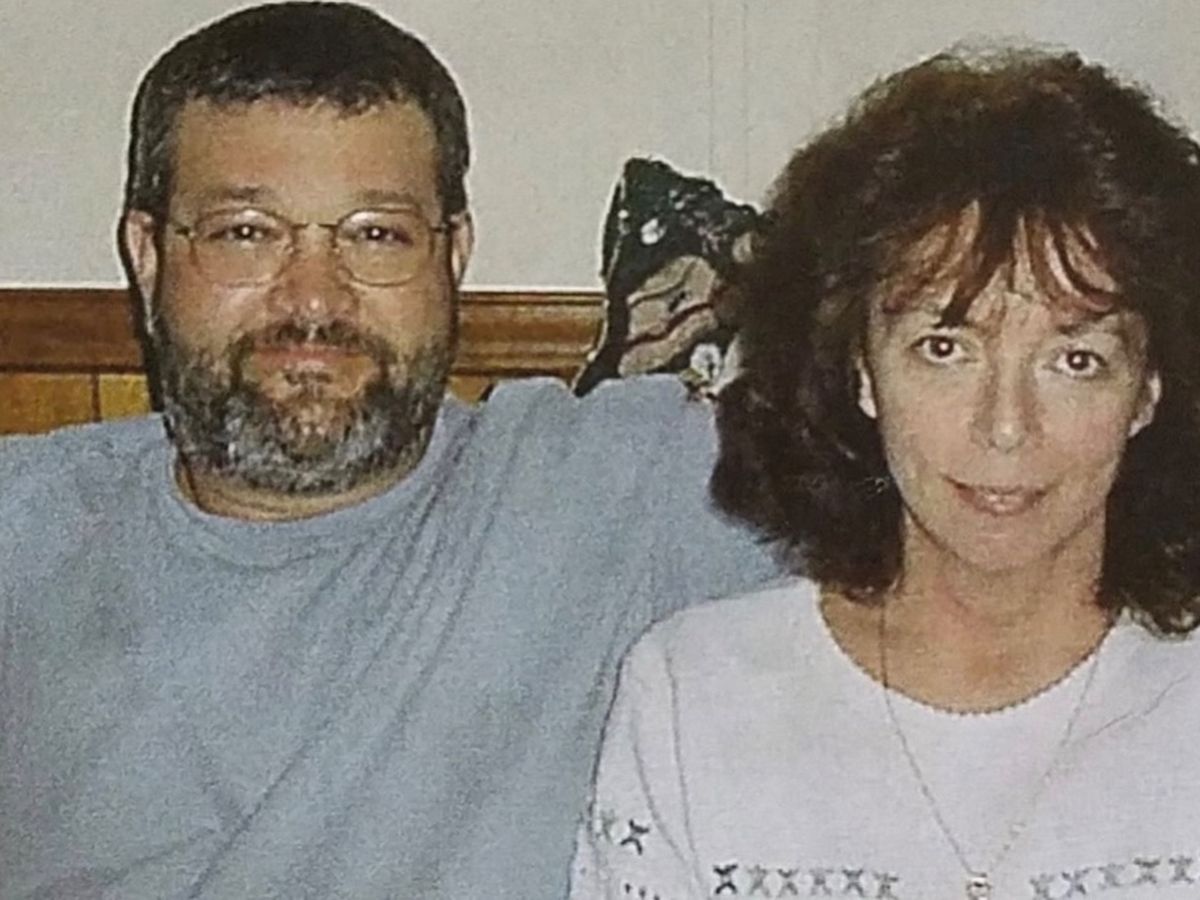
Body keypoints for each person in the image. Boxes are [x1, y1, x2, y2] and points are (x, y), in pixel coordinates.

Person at [0, 4, 778, 898]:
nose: (313, 299)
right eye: (245, 231)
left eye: (376, 234)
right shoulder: (24, 536)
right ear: (147, 257)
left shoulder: (618, 490)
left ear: (454, 257)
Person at [570, 46, 1200, 900]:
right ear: (860, 369)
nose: (1005, 426)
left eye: (1075, 360)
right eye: (945, 349)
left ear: (1149, 390)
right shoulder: (696, 694)